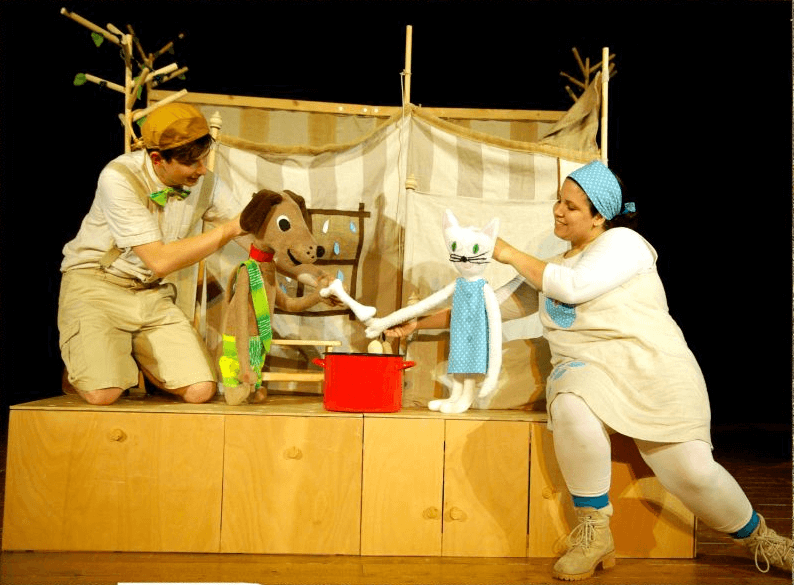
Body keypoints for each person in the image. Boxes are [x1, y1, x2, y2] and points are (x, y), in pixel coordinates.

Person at [383, 160, 792, 580]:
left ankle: (763, 539)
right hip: (588, 369)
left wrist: (505, 252)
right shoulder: (553, 265)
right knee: (571, 401)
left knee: (693, 473)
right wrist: (418, 322)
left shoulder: (625, 244)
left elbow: (573, 287)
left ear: (599, 217)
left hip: (651, 366)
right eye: (558, 200)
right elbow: (492, 307)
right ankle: (594, 532)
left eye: (571, 206)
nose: (558, 211)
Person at [58, 103, 249, 406]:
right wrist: (226, 231)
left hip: (150, 294)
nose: (202, 169)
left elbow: (250, 231)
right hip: (97, 287)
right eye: (192, 163)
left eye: (203, 159)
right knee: (104, 394)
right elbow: (159, 260)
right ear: (158, 159)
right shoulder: (119, 177)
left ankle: (139, 359)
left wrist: (314, 278)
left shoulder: (205, 182)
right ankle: (87, 365)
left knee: (200, 390)